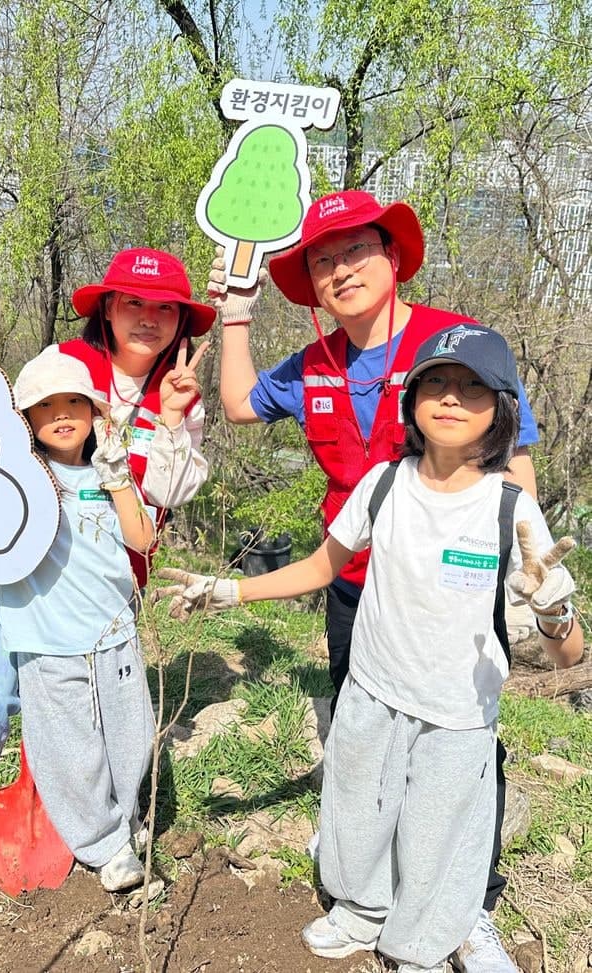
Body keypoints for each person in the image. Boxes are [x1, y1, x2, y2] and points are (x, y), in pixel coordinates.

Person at [160, 324, 584, 973]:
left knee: (441, 834)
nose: (450, 397)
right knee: (355, 807)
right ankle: (361, 908)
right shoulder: (384, 483)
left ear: (502, 408)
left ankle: (421, 944)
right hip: (373, 688)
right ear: (412, 399)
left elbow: (568, 655)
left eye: (473, 387)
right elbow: (320, 566)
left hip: (457, 714)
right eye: (435, 382)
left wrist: (549, 602)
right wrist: (229, 590)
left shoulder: (513, 509)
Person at [210, 190, 540, 972]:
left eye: (356, 250)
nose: (339, 270)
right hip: (355, 585)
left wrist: (527, 578)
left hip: (455, 591)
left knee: (463, 751)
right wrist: (234, 313)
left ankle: (469, 908)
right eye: (322, 261)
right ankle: (369, 892)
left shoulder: (456, 345)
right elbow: (236, 405)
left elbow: (513, 462)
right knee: (363, 737)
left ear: (393, 258)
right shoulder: (314, 364)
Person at [0, 247, 215, 906]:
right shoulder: (64, 368)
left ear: (182, 320)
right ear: (107, 308)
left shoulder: (178, 392)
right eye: (134, 302)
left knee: (101, 715)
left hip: (101, 586)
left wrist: (176, 419)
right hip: (23, 571)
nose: (149, 319)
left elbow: (166, 495)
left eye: (165, 308)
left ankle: (105, 826)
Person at [0, 349, 155, 889]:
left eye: (74, 402)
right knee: (69, 747)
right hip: (48, 638)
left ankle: (128, 820)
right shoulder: (15, 478)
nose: (62, 413)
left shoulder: (109, 470)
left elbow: (142, 540)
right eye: (45, 405)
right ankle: (104, 846)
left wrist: (118, 479)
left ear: (93, 412)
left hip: (114, 630)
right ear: (25, 419)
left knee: (130, 736)